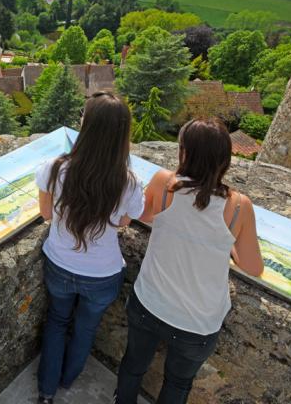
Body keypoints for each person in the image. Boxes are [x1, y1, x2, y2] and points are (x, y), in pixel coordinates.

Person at [115, 118, 264, 404]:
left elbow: (143, 215)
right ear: (225, 160)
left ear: (184, 152)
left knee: (133, 366)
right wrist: (228, 246)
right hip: (198, 322)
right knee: (178, 383)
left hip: (150, 302)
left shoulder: (164, 183)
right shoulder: (239, 206)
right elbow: (253, 266)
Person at [35, 92, 145, 404]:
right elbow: (125, 220)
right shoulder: (128, 181)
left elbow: (45, 214)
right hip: (102, 274)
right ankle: (69, 380)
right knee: (85, 330)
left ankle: (46, 391)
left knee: (57, 322)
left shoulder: (56, 168)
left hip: (59, 264)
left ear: (86, 125)